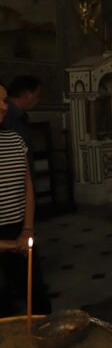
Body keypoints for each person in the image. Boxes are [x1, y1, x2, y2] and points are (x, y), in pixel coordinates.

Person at [0, 81, 51, 317]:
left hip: (19, 229)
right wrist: (9, 245)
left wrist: (27, 229)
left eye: (4, 100)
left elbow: (27, 185)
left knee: (36, 297)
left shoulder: (13, 139)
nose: (4, 107)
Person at [4, 75, 42, 168]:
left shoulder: (20, 116)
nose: (38, 100)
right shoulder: (6, 116)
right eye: (37, 96)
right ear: (27, 94)